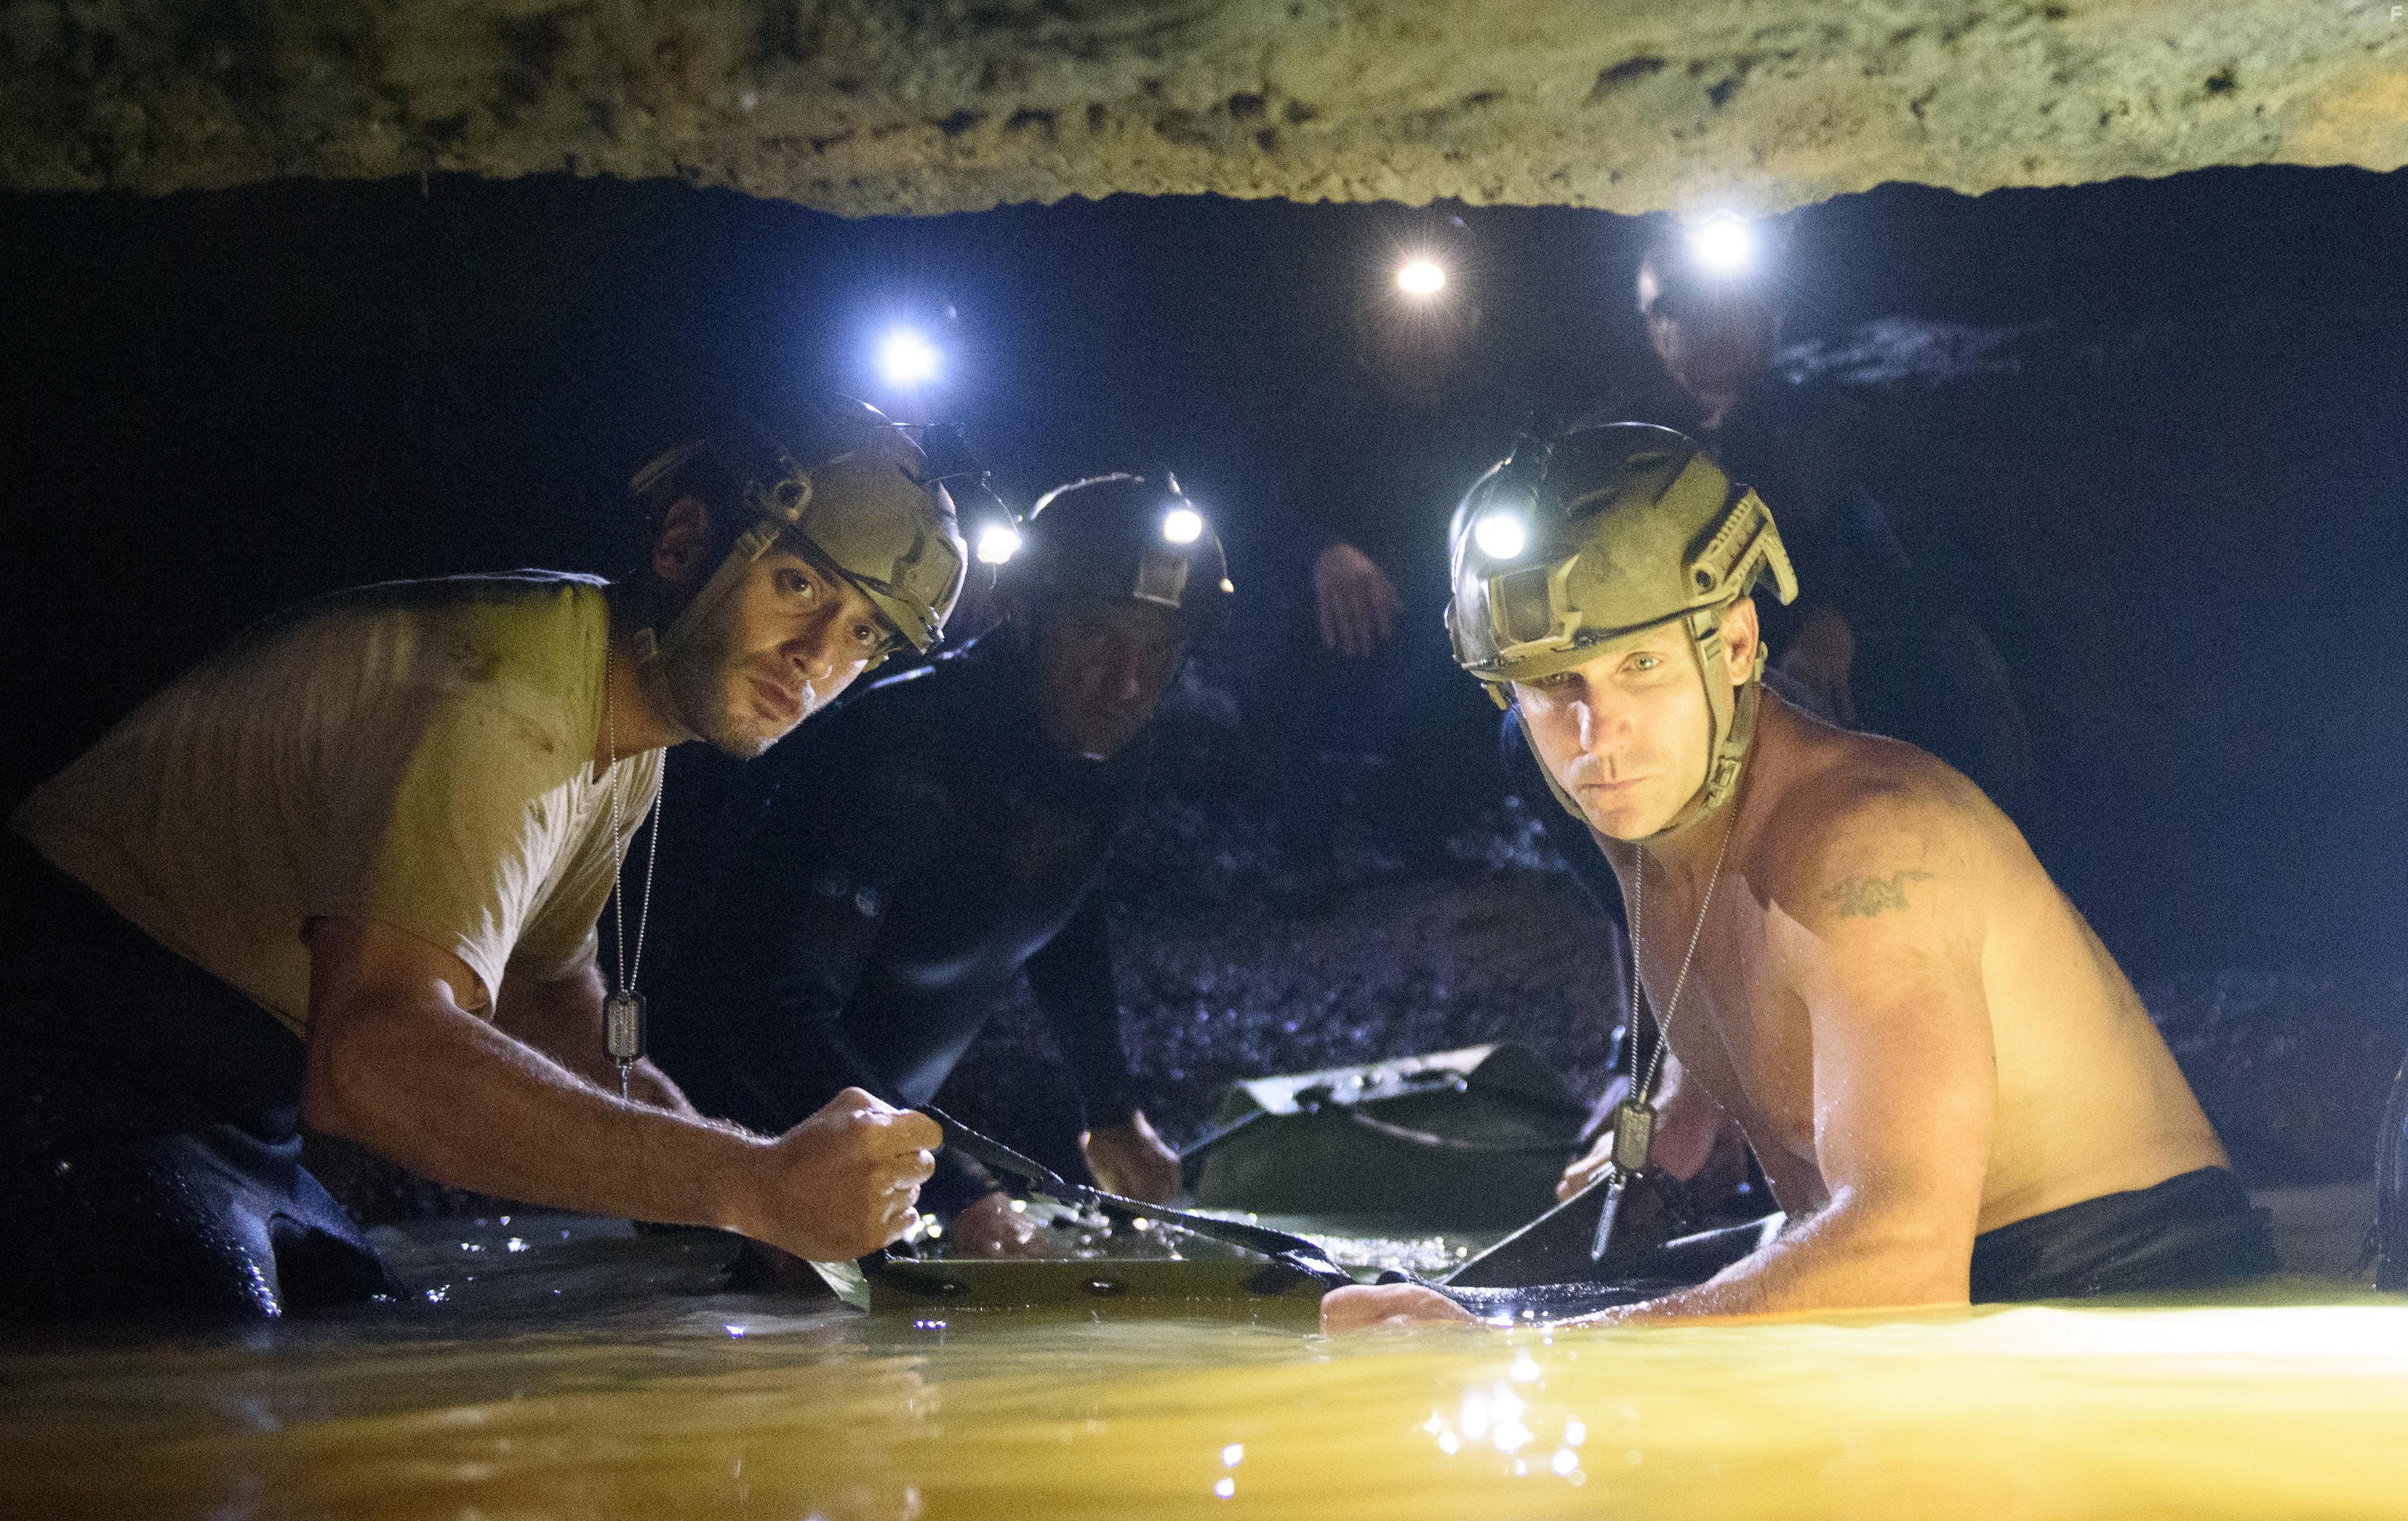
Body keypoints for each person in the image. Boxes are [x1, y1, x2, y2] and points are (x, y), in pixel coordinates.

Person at [1, 399, 966, 1320]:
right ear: (683, 542)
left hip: (226, 1108)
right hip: (63, 1053)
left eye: (862, 633)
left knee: (355, 1333)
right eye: (799, 586)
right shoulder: (506, 692)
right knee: (217, 1375)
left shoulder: (621, 720)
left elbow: (543, 995)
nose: (816, 656)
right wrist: (749, 1182)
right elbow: (370, 1057)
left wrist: (754, 1199)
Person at [1322, 422, 2273, 1331]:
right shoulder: (1635, 802)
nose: (1597, 734)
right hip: (1936, 1296)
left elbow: (1907, 1265)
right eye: (1552, 682)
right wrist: (1683, 1100)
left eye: (1642, 664)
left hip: (2130, 1300)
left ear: (1737, 644)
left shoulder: (1866, 848)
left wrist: (1529, 1353)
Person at [647, 472, 1232, 1257]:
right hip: (722, 1160)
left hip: (882, 1163)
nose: (1128, 683)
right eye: (1098, 636)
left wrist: (1110, 1108)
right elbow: (767, 1005)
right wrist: (961, 1193)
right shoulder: (900, 749)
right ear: (1024, 614)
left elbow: (1060, 902)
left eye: (1158, 651)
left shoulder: (1104, 747)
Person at [1601, 219, 2034, 808]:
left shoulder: (1834, 423)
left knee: (1955, 665)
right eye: (1685, 308)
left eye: (1734, 305)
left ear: (1771, 318)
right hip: (1679, 663)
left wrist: (1840, 623)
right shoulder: (1620, 449)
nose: (1714, 325)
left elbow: (1919, 551)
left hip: (1832, 652)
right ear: (1653, 328)